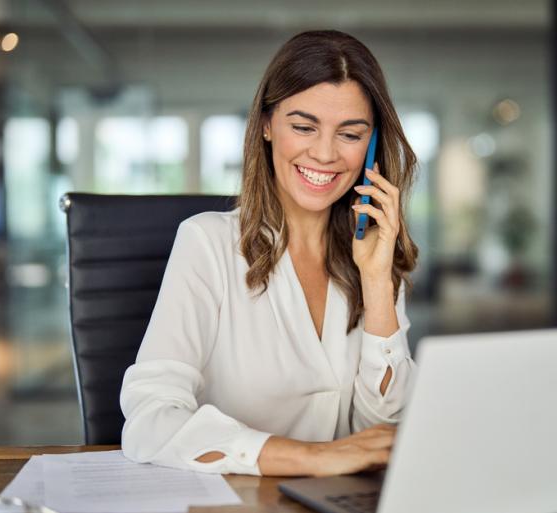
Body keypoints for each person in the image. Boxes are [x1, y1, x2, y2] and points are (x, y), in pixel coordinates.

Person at [120, 29, 419, 477]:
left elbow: (380, 435)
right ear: (265, 124)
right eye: (303, 127)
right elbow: (150, 419)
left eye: (350, 134)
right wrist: (314, 457)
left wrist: (377, 281)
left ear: (372, 146)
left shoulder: (372, 254)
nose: (324, 153)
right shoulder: (207, 244)